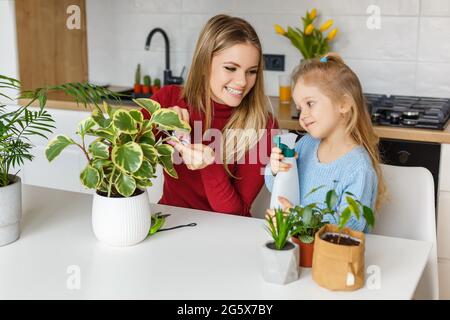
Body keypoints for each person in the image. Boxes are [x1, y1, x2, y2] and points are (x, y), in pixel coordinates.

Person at [145, 14, 277, 216]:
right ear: (205, 63)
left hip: (224, 232)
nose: (242, 81)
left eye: (251, 71)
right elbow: (113, 158)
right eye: (231, 68)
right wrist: (157, 122)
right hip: (171, 221)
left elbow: (236, 213)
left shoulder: (263, 124)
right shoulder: (170, 99)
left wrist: (209, 164)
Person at [265, 53, 385, 232]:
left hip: (333, 255)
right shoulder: (305, 145)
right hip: (299, 247)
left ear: (343, 104)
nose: (303, 115)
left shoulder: (358, 168)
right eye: (299, 109)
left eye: (310, 104)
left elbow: (350, 226)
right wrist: (276, 170)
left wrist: (297, 217)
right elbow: (278, 189)